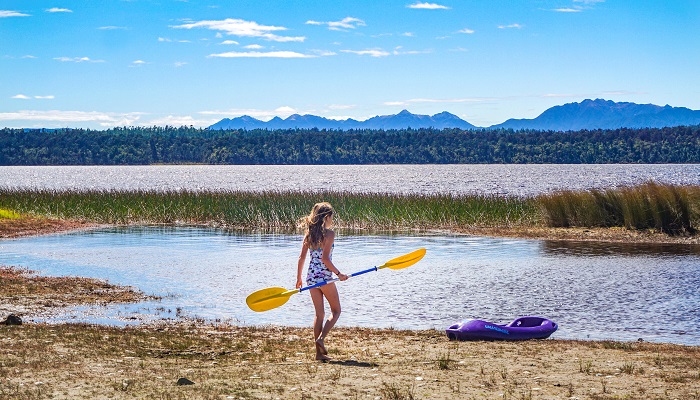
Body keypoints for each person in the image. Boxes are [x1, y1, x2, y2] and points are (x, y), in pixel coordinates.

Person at [297, 202, 348, 361]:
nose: (332, 220)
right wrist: (339, 274)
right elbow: (325, 259)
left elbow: (302, 257)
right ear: (326, 217)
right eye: (331, 217)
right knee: (336, 311)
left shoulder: (309, 234)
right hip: (324, 278)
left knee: (319, 315)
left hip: (311, 278)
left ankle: (319, 355)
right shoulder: (330, 234)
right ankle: (321, 338)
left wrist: (298, 278)